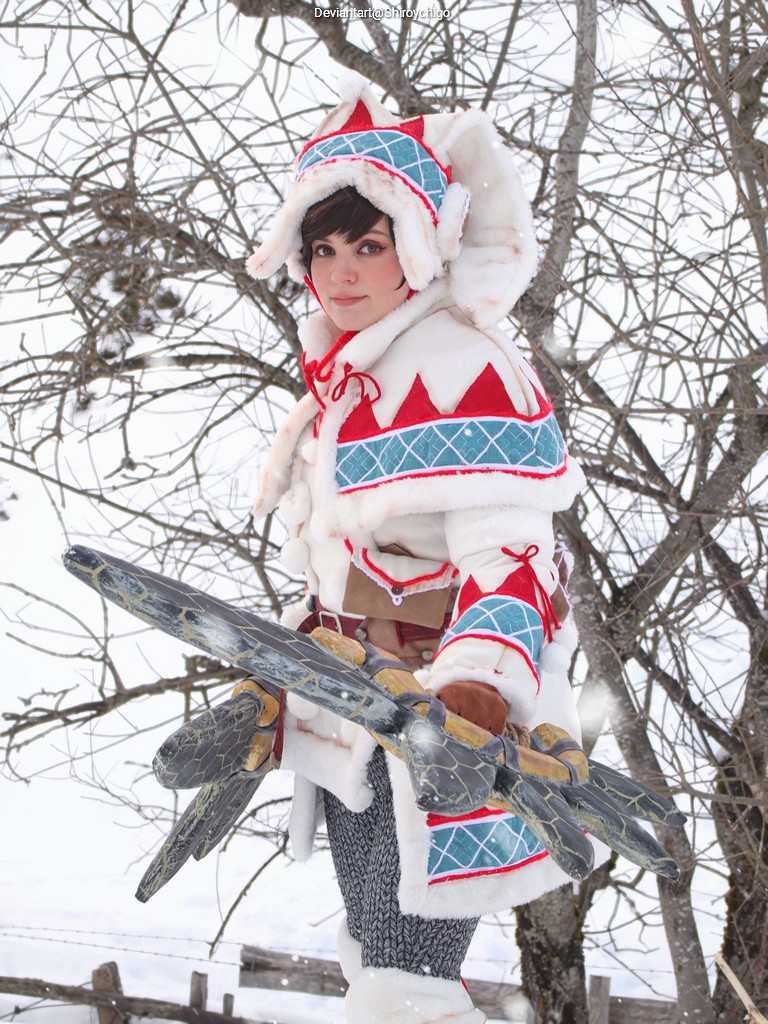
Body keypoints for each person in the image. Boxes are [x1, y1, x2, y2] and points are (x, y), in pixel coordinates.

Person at [245, 74, 591, 1024]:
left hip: (444, 725)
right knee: (379, 962)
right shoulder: (356, 373)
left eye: (370, 242)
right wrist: (285, 666)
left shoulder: (461, 364)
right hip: (353, 708)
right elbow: (343, 562)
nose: (343, 270)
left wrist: (474, 690)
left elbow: (516, 560)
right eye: (325, 249)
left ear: (420, 247)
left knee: (408, 982)